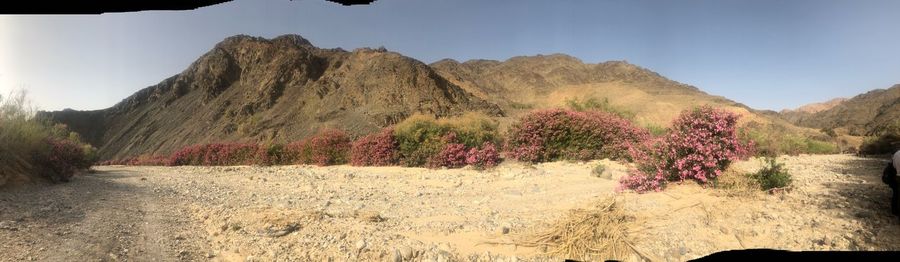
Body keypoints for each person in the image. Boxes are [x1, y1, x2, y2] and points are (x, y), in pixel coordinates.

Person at [884, 150, 900, 217]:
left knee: (896, 194)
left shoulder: (897, 153)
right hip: (897, 176)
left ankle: (895, 211)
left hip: (895, 177)